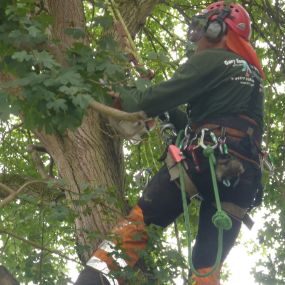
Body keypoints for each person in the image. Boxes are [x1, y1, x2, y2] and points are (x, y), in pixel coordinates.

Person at [75, 1, 265, 284]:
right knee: (206, 267)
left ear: (217, 30)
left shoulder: (212, 60)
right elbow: (211, 125)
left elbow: (145, 103)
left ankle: (91, 281)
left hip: (203, 161)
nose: (197, 37)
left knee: (134, 230)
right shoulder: (254, 76)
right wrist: (166, 111)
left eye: (202, 29)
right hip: (243, 178)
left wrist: (125, 93)